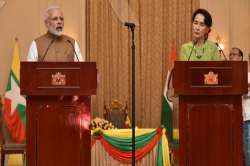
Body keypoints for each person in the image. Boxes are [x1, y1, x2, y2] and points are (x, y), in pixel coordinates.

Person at [229, 47, 250, 166]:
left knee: (247, 150)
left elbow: (245, 92)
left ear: (241, 58)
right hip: (231, 119)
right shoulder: (227, 76)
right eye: (230, 54)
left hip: (246, 118)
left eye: (234, 54)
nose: (231, 56)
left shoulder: (247, 75)